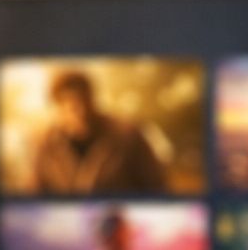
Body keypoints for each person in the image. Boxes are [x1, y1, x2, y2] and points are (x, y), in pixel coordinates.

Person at [35, 70, 167, 194]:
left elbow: (156, 187)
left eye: (85, 102)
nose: (82, 112)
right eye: (73, 107)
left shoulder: (128, 137)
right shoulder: (47, 147)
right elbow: (34, 195)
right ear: (58, 108)